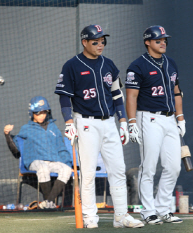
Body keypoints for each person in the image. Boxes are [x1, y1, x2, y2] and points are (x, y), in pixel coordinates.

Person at [54, 24, 143, 229]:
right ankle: (89, 218)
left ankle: (121, 216)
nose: (100, 44)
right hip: (85, 123)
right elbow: (65, 98)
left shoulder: (109, 65)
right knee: (88, 173)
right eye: (96, 41)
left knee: (118, 169)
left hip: (109, 123)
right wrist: (69, 122)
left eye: (103, 40)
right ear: (84, 42)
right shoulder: (72, 65)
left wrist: (122, 121)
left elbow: (117, 95)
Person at [125, 25, 184, 225]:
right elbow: (131, 97)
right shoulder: (138, 66)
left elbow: (177, 92)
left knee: (174, 166)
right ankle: (147, 211)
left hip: (170, 118)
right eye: (158, 40)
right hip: (148, 117)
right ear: (148, 42)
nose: (163, 42)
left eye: (164, 39)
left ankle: (164, 209)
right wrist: (132, 122)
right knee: (149, 166)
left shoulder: (171, 63)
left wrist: (181, 117)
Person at [4, 96, 72, 209]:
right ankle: (49, 204)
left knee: (66, 169)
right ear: (32, 113)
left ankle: (47, 203)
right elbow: (15, 150)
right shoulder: (26, 128)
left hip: (52, 162)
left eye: (44, 112)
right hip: (35, 161)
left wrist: (68, 164)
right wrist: (7, 135)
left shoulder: (53, 128)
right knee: (43, 168)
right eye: (38, 113)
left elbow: (62, 148)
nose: (42, 116)